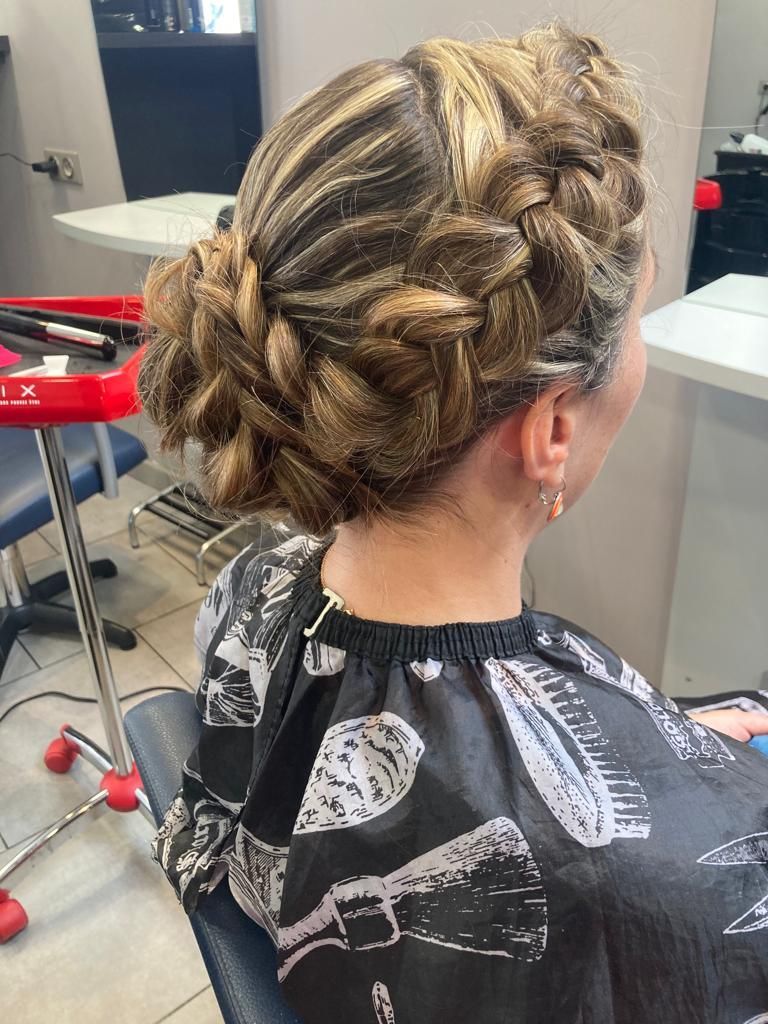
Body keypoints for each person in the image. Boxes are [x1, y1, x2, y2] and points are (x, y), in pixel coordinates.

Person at [138, 22, 768, 1024]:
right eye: (637, 316)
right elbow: (633, 888)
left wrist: (660, 760)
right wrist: (681, 804)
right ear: (551, 428)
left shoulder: (248, 591)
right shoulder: (692, 887)